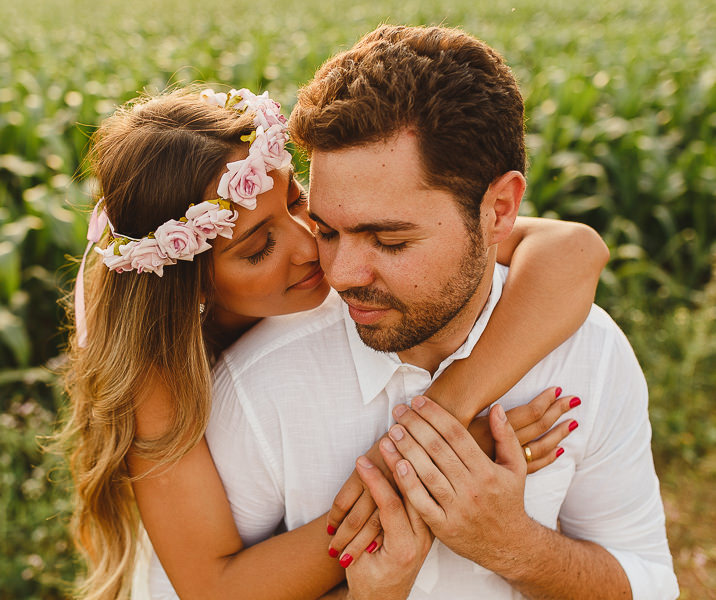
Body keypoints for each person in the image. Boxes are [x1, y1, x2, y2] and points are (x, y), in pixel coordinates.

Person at [55, 86, 608, 600]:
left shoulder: (331, 234)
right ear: (192, 282)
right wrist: (428, 469)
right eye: (257, 249)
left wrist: (443, 415)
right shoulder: (155, 368)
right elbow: (214, 587)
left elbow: (575, 251)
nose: (311, 248)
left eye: (300, 206)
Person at [195, 25, 679, 600]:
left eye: (390, 241)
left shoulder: (589, 353)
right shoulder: (257, 386)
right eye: (326, 230)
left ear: (500, 210)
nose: (342, 274)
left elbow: (649, 582)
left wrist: (516, 547)